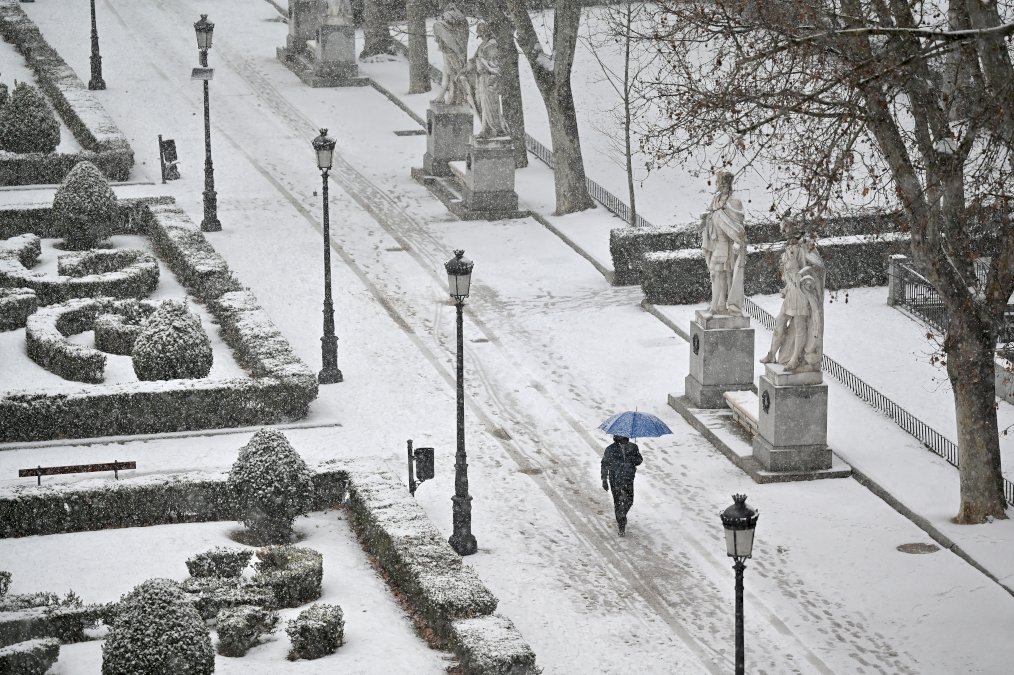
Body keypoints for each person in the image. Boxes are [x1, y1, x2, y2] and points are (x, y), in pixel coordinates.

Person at [760, 216, 825, 371]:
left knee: (800, 326)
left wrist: (803, 279)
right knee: (780, 321)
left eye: (786, 229)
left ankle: (795, 359)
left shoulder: (804, 247)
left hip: (801, 294)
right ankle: (772, 353)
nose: (784, 232)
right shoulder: (789, 247)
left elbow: (815, 268)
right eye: (783, 229)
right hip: (790, 292)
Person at [698, 171, 747, 316]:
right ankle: (719, 304)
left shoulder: (734, 201)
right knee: (718, 275)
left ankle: (715, 307)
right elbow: (713, 215)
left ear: (724, 183)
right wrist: (706, 218)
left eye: (718, 181)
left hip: (726, 245)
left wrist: (737, 242)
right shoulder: (716, 199)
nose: (716, 184)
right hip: (715, 242)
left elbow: (737, 226)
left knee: (718, 275)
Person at [458, 22, 509, 139]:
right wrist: (464, 70)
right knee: (481, 103)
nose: (480, 37)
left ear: (486, 33)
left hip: (488, 79)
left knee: (489, 104)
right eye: (479, 35)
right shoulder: (482, 45)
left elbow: (494, 65)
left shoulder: (492, 45)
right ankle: (486, 128)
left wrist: (487, 70)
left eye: (481, 34)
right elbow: (473, 60)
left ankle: (493, 129)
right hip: (481, 78)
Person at [601, 435, 643, 536]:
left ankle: (622, 514)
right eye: (621, 436)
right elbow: (604, 464)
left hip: (628, 478)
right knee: (618, 502)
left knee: (629, 500)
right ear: (617, 438)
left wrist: (633, 458)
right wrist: (604, 479)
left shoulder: (633, 447)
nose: (625, 438)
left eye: (625, 436)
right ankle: (621, 524)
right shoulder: (610, 449)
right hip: (615, 479)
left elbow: (639, 460)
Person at [432, 4, 470, 106]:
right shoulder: (461, 20)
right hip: (452, 51)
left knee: (454, 74)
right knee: (450, 73)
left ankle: (456, 97)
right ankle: (450, 97)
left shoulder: (448, 19)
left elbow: (446, 35)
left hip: (452, 52)